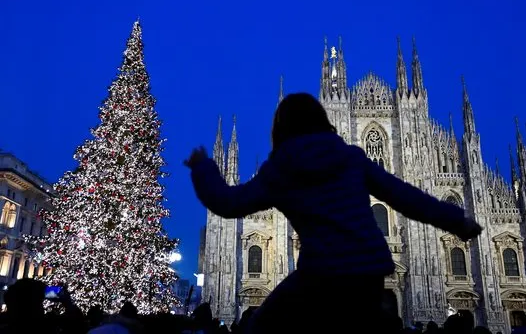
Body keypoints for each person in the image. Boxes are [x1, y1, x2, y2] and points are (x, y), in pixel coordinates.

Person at [186, 93, 483, 334]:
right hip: (370, 271)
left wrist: (203, 168)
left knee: (262, 325)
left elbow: (228, 203)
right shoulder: (351, 158)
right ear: (325, 121)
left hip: (322, 271)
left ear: (281, 129)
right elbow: (407, 197)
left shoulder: (282, 168)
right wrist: (458, 221)